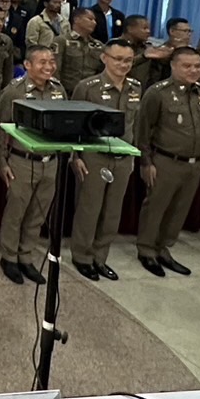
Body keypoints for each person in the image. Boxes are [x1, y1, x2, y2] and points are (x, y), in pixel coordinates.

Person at [68, 39, 144, 281]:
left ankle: (100, 257)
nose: (123, 65)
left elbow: (135, 125)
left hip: (123, 157)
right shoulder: (87, 87)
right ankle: (82, 256)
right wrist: (75, 156)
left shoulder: (135, 87)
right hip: (94, 156)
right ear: (104, 58)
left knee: (112, 212)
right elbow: (73, 123)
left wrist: (133, 155)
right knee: (89, 209)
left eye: (128, 60)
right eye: (118, 59)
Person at [134, 46, 200, 277]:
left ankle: (163, 248)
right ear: (173, 66)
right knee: (156, 208)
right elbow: (143, 129)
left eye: (197, 66)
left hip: (193, 163)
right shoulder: (158, 93)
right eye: (187, 66)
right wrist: (146, 162)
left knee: (178, 210)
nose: (193, 70)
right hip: (165, 160)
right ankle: (147, 250)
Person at [0, 45, 69, 285]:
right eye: (42, 62)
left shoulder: (58, 90)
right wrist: (1, 162)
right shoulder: (14, 92)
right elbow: (0, 130)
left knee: (38, 214)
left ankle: (26, 255)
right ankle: (9, 257)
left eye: (51, 62)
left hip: (51, 162)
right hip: (22, 160)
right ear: (27, 65)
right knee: (16, 212)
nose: (49, 67)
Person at [53, 6, 104, 93]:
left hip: (91, 93)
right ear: (77, 19)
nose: (94, 23)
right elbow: (55, 69)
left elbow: (102, 71)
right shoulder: (62, 41)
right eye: (90, 19)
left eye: (95, 20)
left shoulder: (98, 45)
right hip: (67, 92)